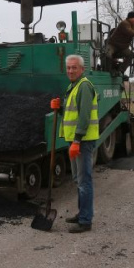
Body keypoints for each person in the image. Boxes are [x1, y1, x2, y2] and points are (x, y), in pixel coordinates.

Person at [51, 54, 99, 233]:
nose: (70, 70)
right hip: (76, 141)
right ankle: (82, 214)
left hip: (83, 141)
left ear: (82, 69)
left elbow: (85, 116)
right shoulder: (73, 86)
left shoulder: (84, 86)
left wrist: (77, 140)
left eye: (74, 67)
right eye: (68, 68)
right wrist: (59, 108)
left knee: (84, 180)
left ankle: (86, 221)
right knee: (78, 179)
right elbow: (73, 112)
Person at [105, 11, 134, 77]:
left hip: (122, 48)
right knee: (108, 54)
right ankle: (110, 71)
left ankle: (120, 70)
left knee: (131, 55)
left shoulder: (132, 26)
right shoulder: (124, 23)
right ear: (130, 18)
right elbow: (130, 32)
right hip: (113, 45)